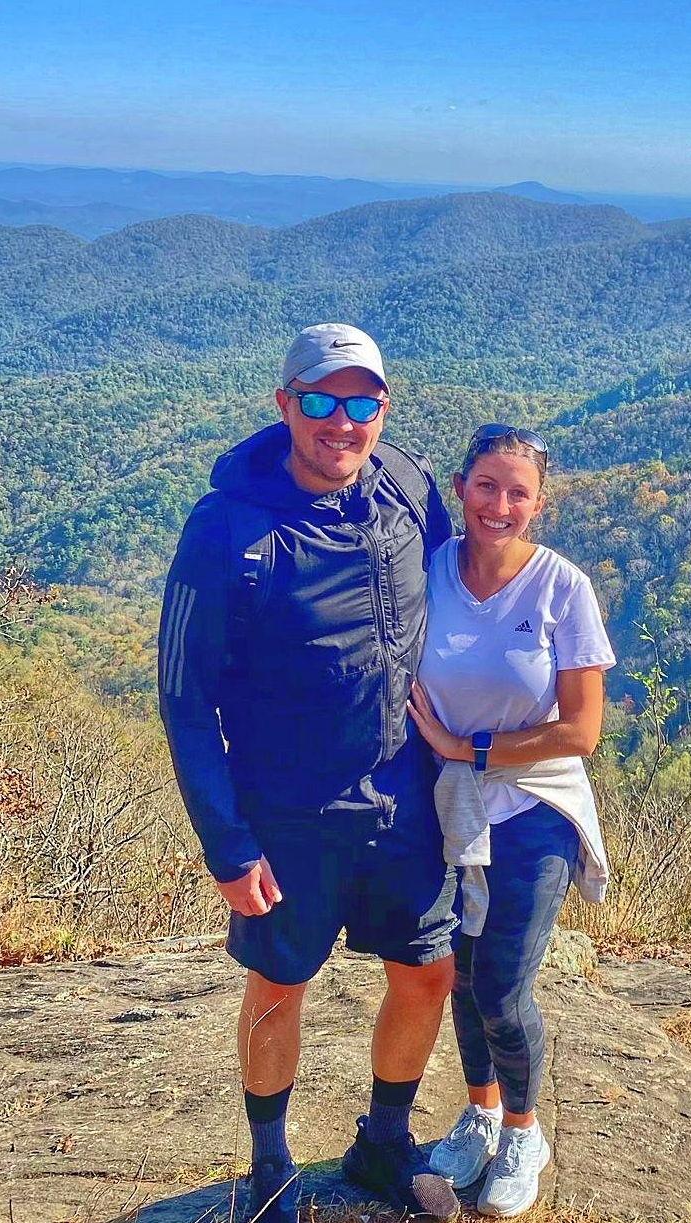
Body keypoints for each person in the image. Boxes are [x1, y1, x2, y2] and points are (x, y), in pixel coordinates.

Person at [158, 323, 462, 1223]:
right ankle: (270, 1162)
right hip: (287, 814)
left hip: (404, 797)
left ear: (384, 408)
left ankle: (384, 1139)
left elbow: (454, 602)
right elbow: (183, 699)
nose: (342, 421)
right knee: (279, 983)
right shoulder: (227, 528)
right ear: (284, 403)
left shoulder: (407, 485)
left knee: (426, 971)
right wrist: (226, 842)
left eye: (362, 401)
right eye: (321, 399)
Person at [406, 424, 614, 1218]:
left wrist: (469, 746)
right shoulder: (429, 571)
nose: (499, 504)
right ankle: (481, 1110)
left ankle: (524, 1131)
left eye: (517, 492)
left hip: (533, 804)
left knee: (501, 984)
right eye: (486, 486)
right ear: (460, 486)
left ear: (539, 503)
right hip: (450, 805)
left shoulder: (562, 587)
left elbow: (580, 730)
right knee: (459, 974)